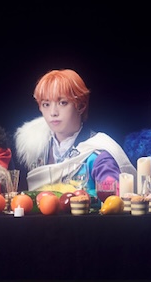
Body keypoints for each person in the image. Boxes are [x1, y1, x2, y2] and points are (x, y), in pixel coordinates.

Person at [14, 69, 135, 197]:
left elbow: (114, 197)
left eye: (63, 103)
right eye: (46, 104)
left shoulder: (98, 153)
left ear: (80, 106)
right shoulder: (36, 149)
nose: (53, 112)